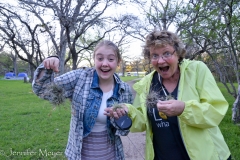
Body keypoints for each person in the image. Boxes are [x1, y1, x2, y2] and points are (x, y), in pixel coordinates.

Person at [125, 30, 231, 160]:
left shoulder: (197, 70)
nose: (160, 61)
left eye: (167, 53)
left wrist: (184, 109)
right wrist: (127, 112)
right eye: (154, 56)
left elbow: (215, 112)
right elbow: (142, 122)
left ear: (178, 54)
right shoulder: (147, 83)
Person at [32, 40, 133, 160]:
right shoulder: (80, 77)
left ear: (118, 62)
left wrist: (119, 119)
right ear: (94, 59)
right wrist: (48, 64)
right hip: (80, 155)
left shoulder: (124, 89)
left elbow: (124, 131)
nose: (105, 63)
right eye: (100, 58)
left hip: (111, 155)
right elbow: (42, 90)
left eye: (111, 59)